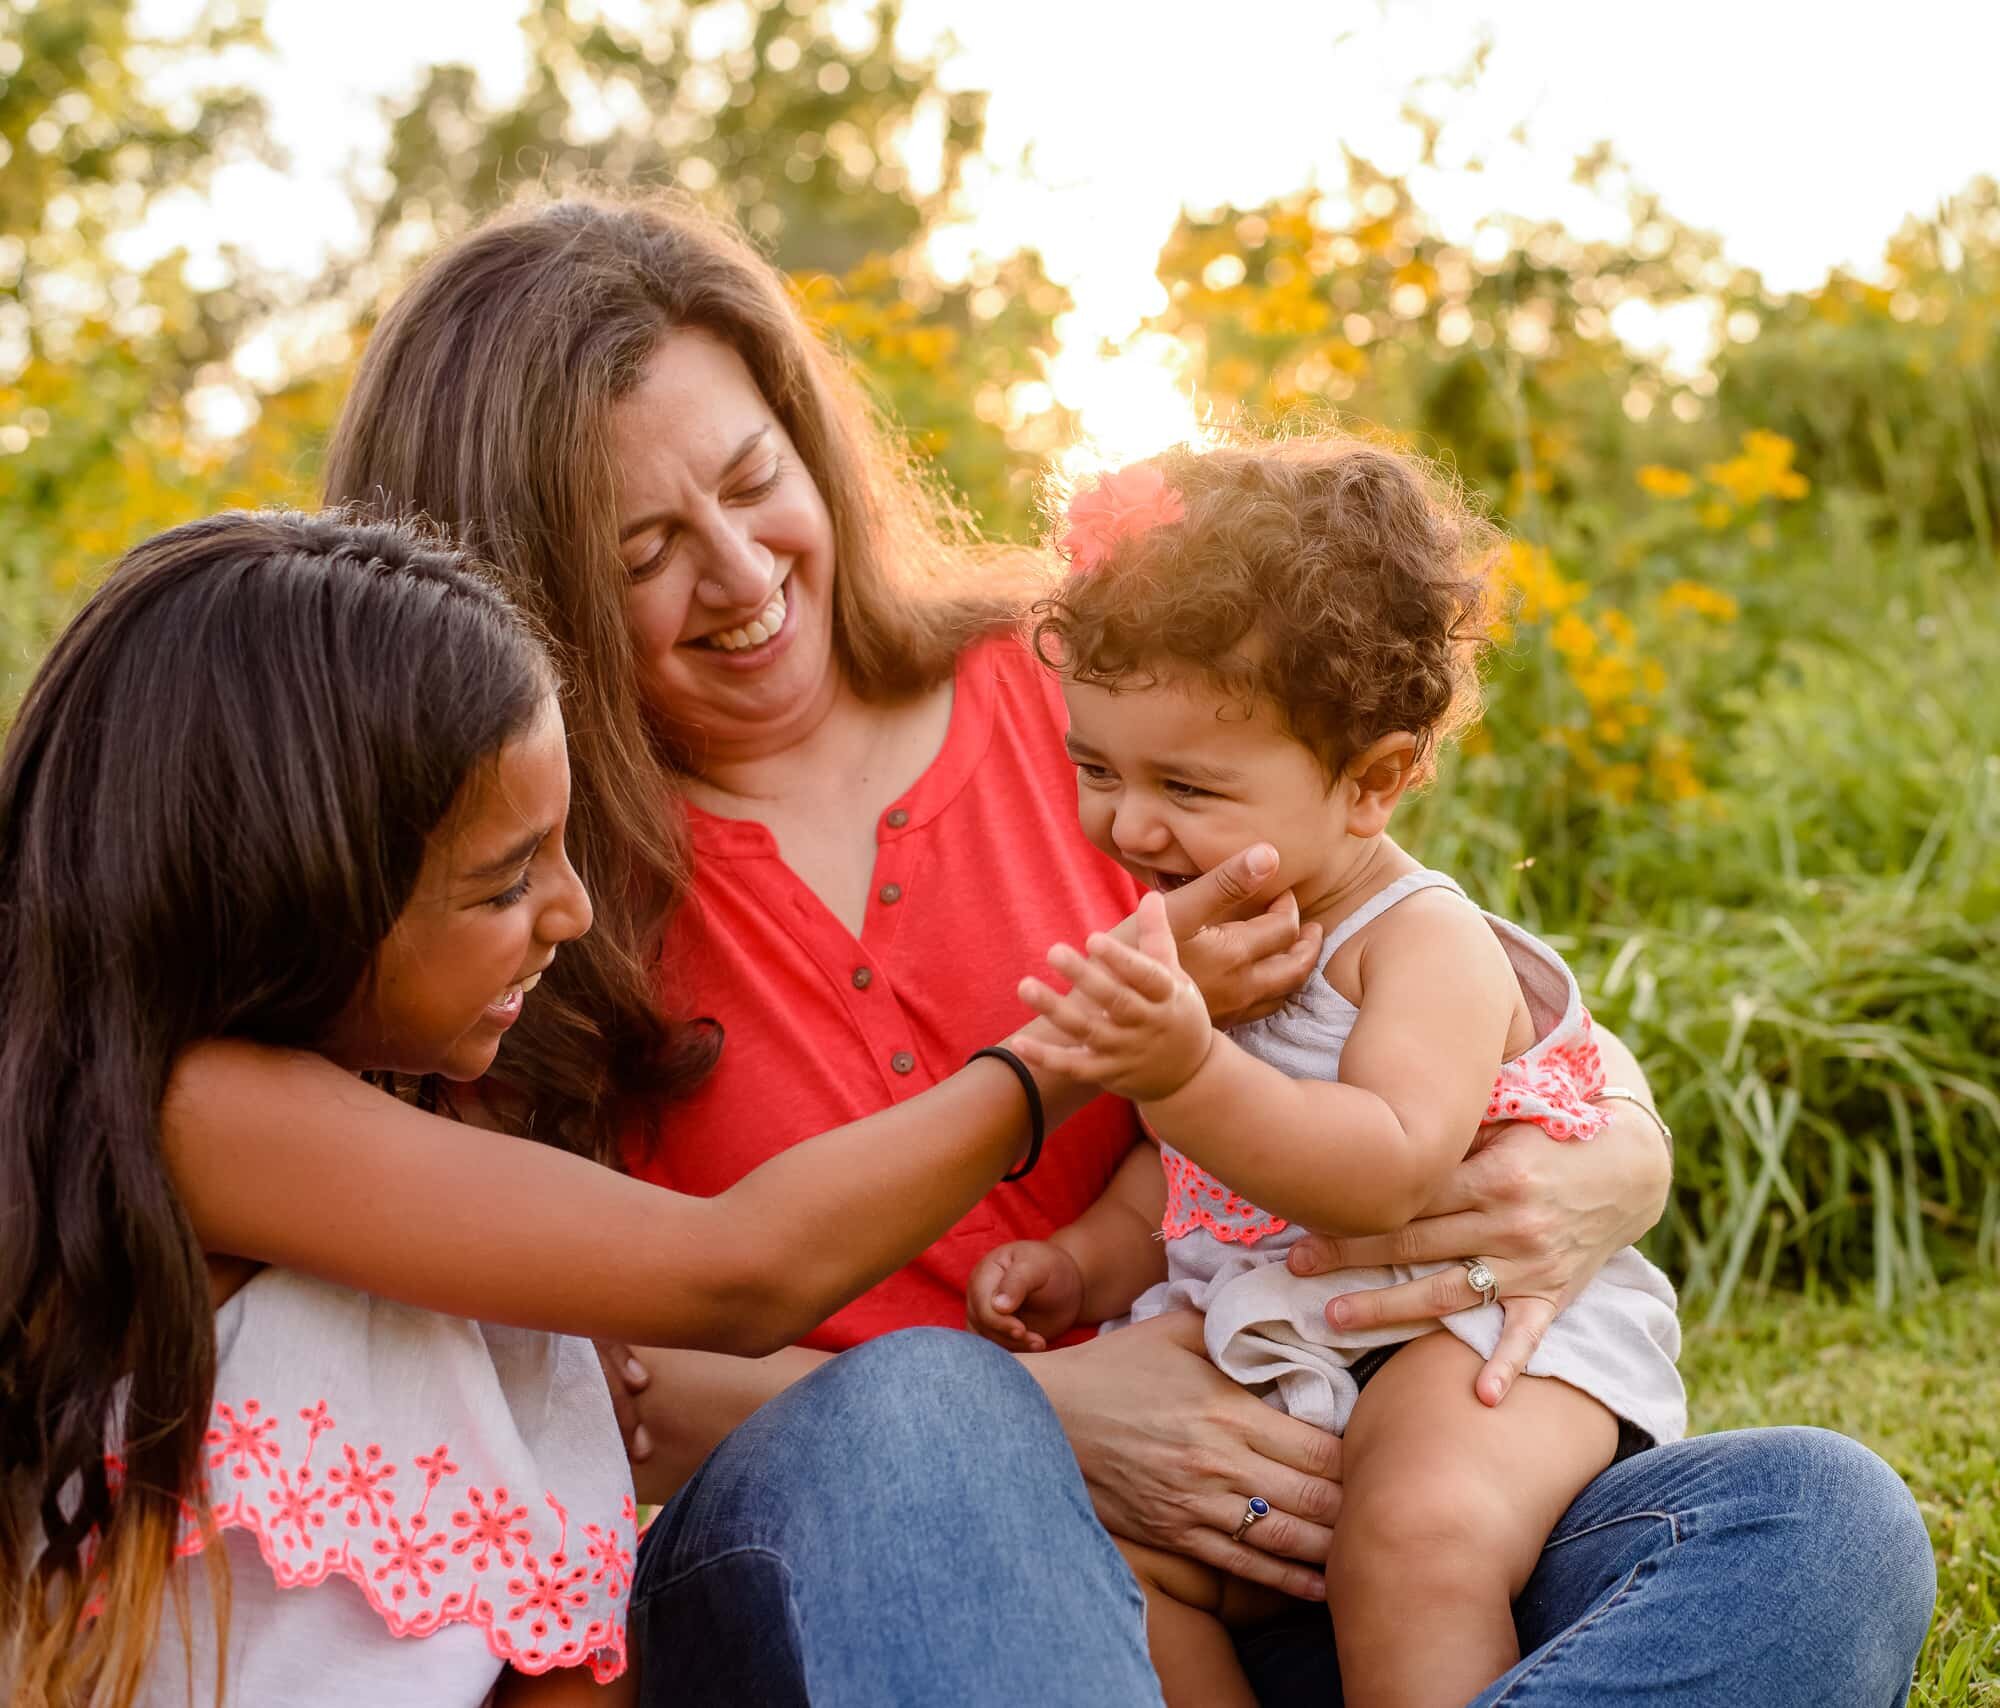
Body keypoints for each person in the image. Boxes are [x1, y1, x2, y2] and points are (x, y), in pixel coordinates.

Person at [314, 192, 1933, 1705]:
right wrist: (1041, 1419)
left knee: (1811, 1519)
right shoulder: (518, 884)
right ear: (518, 588)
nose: (743, 578)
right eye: (642, 550)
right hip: (863, 1568)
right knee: (923, 1416)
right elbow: (522, 1361)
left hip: (1307, 1503)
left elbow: (1404, 952)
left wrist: (1615, 1154)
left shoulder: (1096, 694)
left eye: (753, 485)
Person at [0, 511, 1170, 1707]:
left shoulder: (424, 1157)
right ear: (288, 891)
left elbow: (553, 1633)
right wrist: (1066, 1052)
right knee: (934, 1398)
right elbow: (738, 1269)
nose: (571, 912)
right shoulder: (193, 1117)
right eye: (507, 878)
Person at [965, 443, 1686, 1707]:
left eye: (1185, 785)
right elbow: (1177, 1180)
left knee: (1409, 1537)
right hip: (1291, 1349)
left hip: (1471, 1336)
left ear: (1374, 780)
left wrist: (1182, 1065)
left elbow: (1382, 1167)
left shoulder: (1418, 942)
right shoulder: (1199, 924)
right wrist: (1081, 1262)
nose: (1129, 827)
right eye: (1096, 770)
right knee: (1118, 1556)